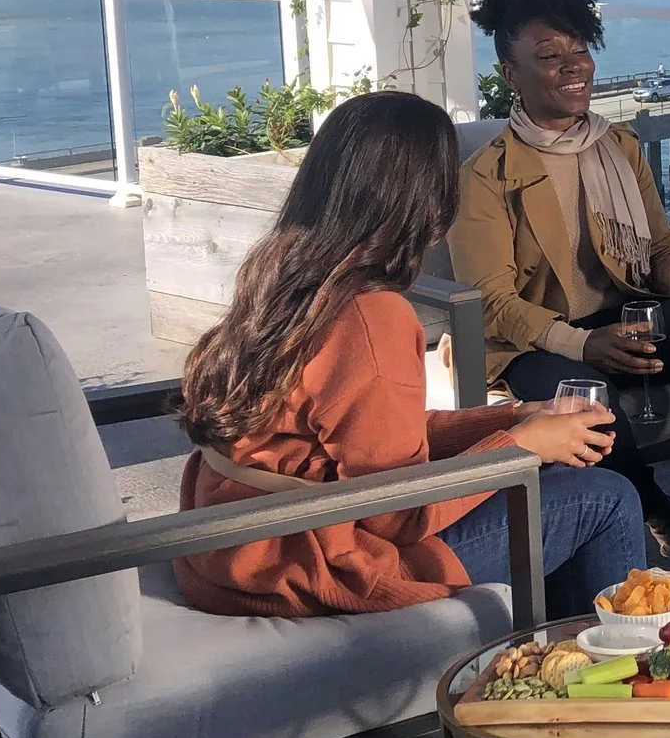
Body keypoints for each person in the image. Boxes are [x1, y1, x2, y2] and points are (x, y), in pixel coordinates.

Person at [172, 87, 645, 624]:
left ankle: (551, 651)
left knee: (557, 481)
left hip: (234, 543)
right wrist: (520, 447)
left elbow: (367, 438)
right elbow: (398, 513)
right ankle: (617, 664)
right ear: (427, 200)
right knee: (605, 498)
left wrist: (513, 418)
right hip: (310, 562)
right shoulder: (371, 315)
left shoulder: (285, 270)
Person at [454, 0, 670, 542]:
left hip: (619, 314)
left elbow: (660, 242)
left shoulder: (617, 147)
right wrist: (582, 343)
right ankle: (651, 509)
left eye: (580, 49)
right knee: (581, 390)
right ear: (511, 73)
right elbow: (492, 302)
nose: (573, 66)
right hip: (533, 339)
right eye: (549, 55)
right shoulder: (486, 176)